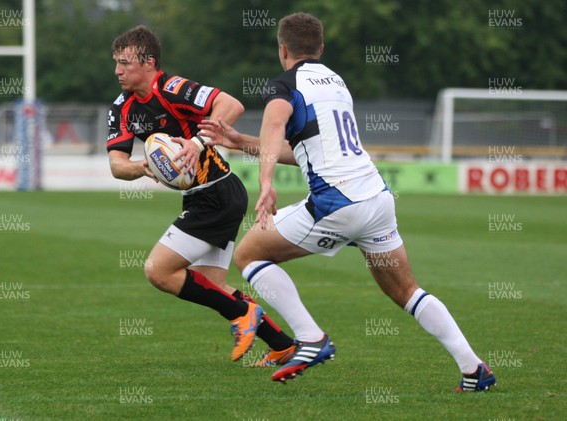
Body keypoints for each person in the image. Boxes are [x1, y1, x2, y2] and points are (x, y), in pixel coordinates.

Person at [198, 12, 496, 391]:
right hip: (376, 198)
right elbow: (302, 149)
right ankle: (474, 369)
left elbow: (274, 127)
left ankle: (310, 337)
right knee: (406, 291)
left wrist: (266, 183)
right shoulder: (336, 83)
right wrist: (240, 142)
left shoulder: (282, 86)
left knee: (250, 254)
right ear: (320, 48)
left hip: (337, 203)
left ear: (282, 49)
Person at [106, 25, 296, 365]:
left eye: (125, 63)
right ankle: (282, 344)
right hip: (204, 196)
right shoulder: (122, 107)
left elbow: (231, 105)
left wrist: (196, 142)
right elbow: (117, 165)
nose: (118, 71)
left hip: (218, 193)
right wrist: (144, 166)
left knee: (159, 271)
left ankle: (243, 314)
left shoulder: (172, 88)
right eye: (116, 63)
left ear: (149, 62)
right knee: (213, 288)